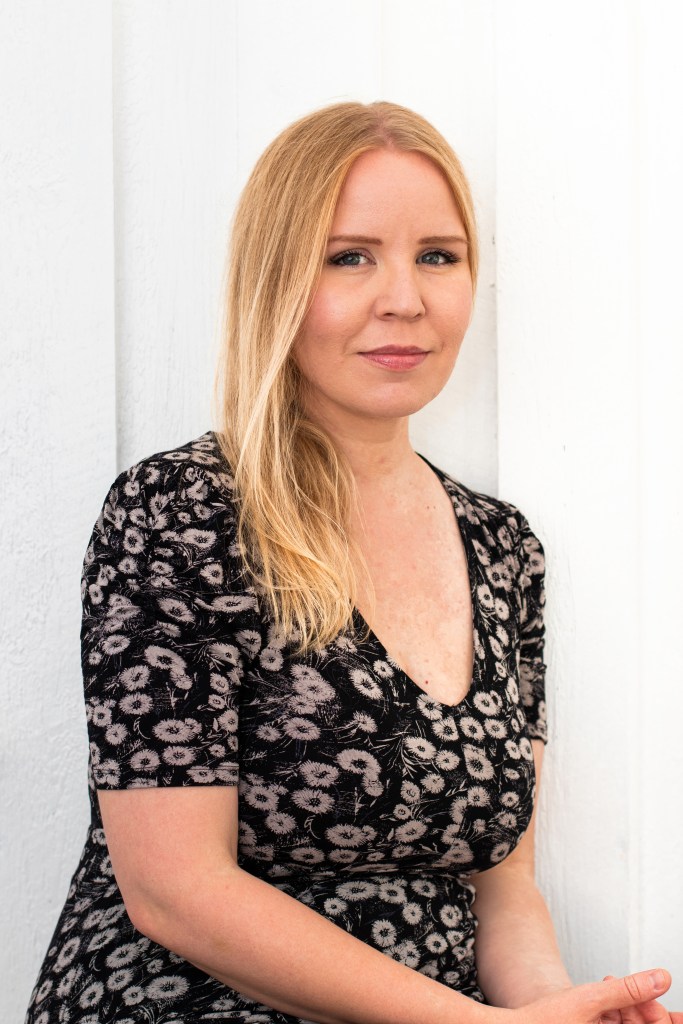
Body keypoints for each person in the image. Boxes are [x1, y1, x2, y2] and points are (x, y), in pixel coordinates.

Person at [25, 101, 681, 1024]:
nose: (404, 298)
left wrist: (554, 1010)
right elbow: (174, 891)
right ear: (275, 281)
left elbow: (501, 888)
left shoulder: (502, 548)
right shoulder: (182, 512)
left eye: (438, 256)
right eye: (349, 257)